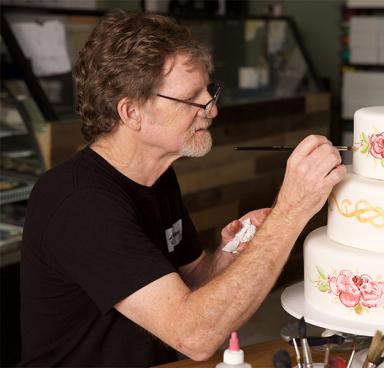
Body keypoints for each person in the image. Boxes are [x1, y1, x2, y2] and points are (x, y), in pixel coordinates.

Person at [19, 9, 346, 367]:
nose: (212, 110)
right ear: (132, 113)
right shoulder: (80, 203)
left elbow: (189, 283)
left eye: (209, 91)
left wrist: (231, 254)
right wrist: (290, 212)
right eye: (193, 98)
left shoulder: (157, 175)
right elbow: (194, 335)